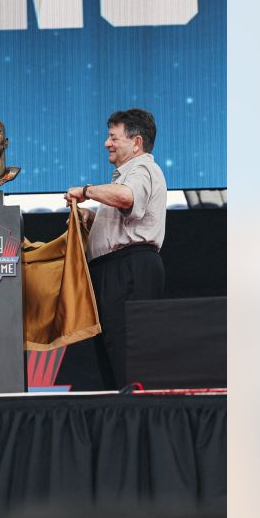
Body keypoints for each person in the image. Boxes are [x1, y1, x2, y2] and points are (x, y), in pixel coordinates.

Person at [64, 108, 168, 389]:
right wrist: (92, 217)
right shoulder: (124, 175)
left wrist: (85, 191)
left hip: (129, 270)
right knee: (113, 355)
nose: (106, 143)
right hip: (115, 270)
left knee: (129, 356)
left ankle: (138, 418)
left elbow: (127, 198)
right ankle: (125, 413)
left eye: (113, 137)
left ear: (136, 142)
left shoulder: (142, 168)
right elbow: (126, 217)